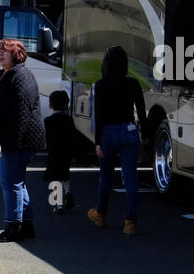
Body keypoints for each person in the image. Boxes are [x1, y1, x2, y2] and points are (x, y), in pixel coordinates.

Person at [0, 38, 45, 241]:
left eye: (5, 51)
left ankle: (14, 227)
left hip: (16, 142)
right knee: (16, 183)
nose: (0, 54)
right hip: (11, 140)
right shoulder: (7, 74)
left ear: (16, 54)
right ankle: (27, 225)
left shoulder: (20, 76)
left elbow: (21, 113)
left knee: (10, 183)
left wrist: (10, 144)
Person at [87, 45, 147, 237]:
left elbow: (99, 115)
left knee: (106, 176)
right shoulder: (133, 83)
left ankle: (101, 214)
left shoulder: (101, 84)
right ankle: (131, 221)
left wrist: (97, 142)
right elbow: (142, 112)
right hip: (129, 131)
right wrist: (145, 134)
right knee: (130, 178)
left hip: (108, 133)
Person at [43, 90, 87, 214]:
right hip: (66, 152)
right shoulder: (68, 119)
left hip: (53, 153)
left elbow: (47, 138)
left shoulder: (48, 121)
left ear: (50, 105)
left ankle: (58, 204)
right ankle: (67, 192)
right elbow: (73, 136)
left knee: (55, 178)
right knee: (64, 175)